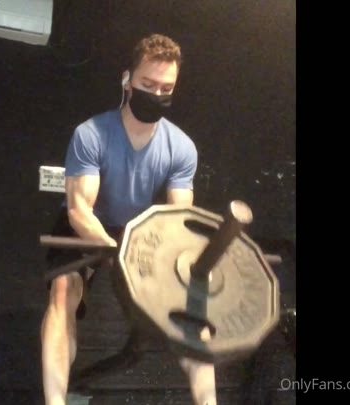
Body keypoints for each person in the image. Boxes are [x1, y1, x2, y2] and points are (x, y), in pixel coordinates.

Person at [40, 33, 217, 405]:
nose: (157, 94)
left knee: (191, 310)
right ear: (127, 81)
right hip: (88, 224)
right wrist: (112, 247)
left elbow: (179, 217)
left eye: (166, 88)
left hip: (141, 230)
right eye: (148, 85)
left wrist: (186, 258)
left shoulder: (181, 148)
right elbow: (79, 211)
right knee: (64, 291)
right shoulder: (91, 135)